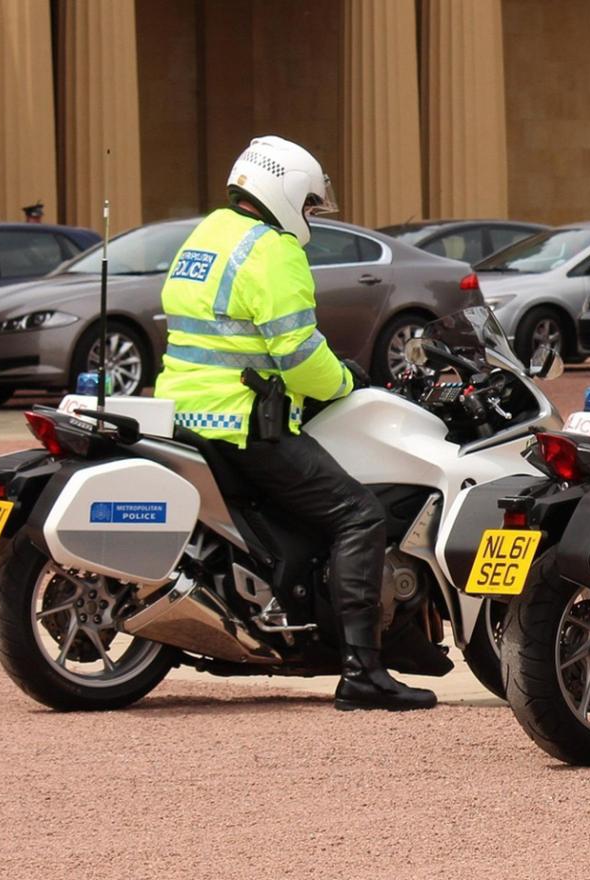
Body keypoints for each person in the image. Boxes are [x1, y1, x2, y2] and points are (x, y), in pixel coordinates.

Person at [156, 135, 433, 712]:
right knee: (359, 514)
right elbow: (299, 352)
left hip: (184, 413)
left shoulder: (206, 235)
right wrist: (347, 382)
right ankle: (363, 670)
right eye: (309, 203)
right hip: (244, 422)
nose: (309, 216)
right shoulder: (272, 250)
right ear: (281, 190)